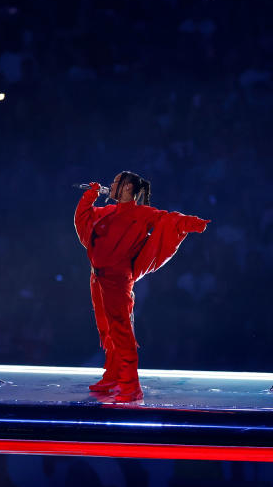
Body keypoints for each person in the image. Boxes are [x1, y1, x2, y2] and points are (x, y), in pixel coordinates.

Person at [74, 171, 210, 403]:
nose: (111, 185)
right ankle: (113, 376)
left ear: (128, 188)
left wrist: (190, 223)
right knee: (107, 329)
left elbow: (168, 219)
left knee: (121, 331)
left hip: (117, 280)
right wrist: (88, 197)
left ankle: (130, 386)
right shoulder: (107, 212)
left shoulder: (141, 213)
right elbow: (82, 220)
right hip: (98, 278)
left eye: (116, 183)